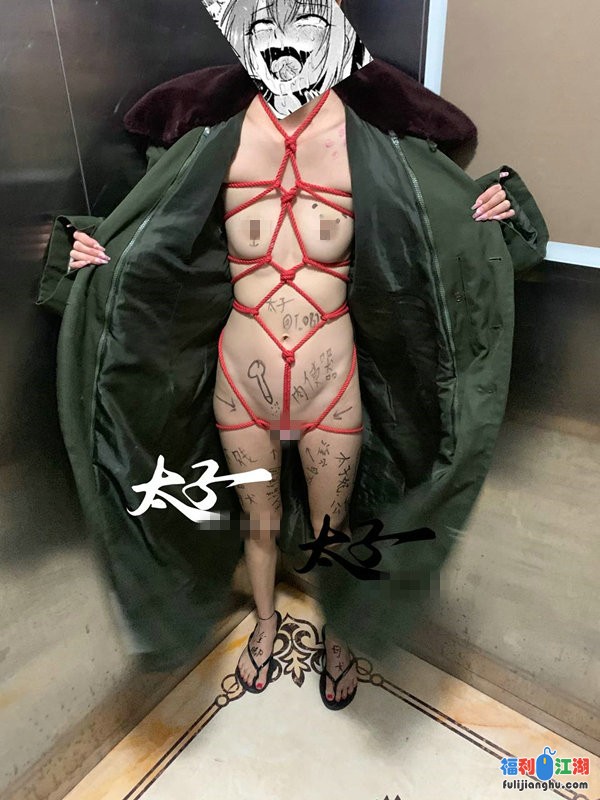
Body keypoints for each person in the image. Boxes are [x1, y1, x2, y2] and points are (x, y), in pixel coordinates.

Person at [38, 0, 547, 709]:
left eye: (303, 22)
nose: (284, 42)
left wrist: (491, 213)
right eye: (266, 24)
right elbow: (153, 227)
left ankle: (340, 633)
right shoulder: (210, 139)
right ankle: (266, 623)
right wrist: (95, 254)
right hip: (239, 378)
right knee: (260, 522)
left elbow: (438, 225)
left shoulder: (376, 145)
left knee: (334, 527)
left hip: (329, 380)